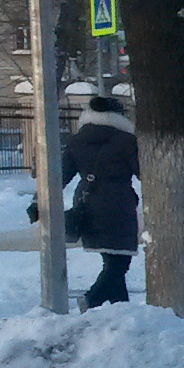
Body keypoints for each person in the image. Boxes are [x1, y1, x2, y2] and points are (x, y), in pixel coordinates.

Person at [65, 93, 142, 308]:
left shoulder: (77, 140)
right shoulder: (126, 141)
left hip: (86, 203)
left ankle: (121, 308)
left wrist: (37, 200)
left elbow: (60, 174)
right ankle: (92, 299)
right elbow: (142, 171)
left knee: (112, 261)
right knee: (119, 264)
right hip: (118, 204)